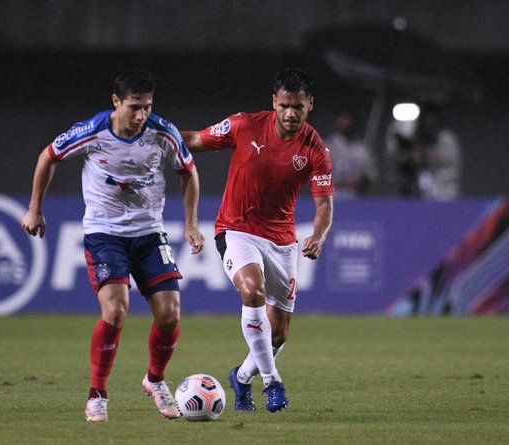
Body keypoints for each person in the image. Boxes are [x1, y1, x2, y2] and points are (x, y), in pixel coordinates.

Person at [21, 70, 205, 422]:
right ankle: (97, 395)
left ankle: (154, 380)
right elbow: (48, 157)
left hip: (150, 233)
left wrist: (192, 224)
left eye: (147, 108)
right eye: (134, 107)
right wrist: (34, 208)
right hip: (104, 234)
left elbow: (188, 172)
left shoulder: (161, 131)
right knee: (116, 311)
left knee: (170, 315)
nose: (140, 116)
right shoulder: (92, 131)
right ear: (116, 102)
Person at [180, 68, 334, 412]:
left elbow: (324, 204)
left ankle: (242, 377)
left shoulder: (316, 149)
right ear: (274, 103)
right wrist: (157, 134)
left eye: (298, 106)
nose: (291, 114)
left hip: (282, 241)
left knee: (277, 334)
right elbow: (195, 141)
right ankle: (273, 382)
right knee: (253, 291)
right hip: (236, 229)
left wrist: (319, 235)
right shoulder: (244, 125)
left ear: (310, 104)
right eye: (284, 106)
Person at [324, 110, 377, 197]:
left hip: (355, 198)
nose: (346, 124)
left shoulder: (361, 149)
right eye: (343, 122)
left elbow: (370, 174)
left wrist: (362, 181)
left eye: (349, 122)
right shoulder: (328, 146)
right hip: (331, 197)